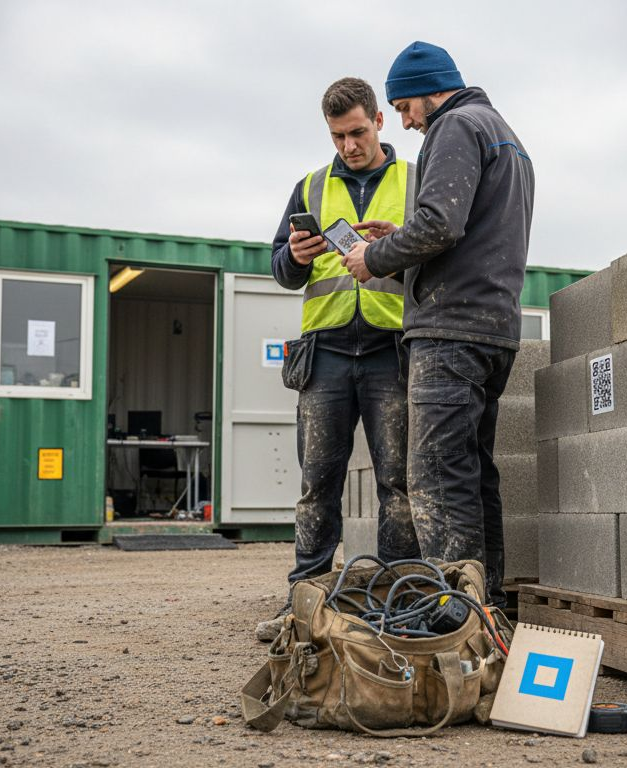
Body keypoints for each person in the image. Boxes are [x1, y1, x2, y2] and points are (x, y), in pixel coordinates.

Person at [342, 42, 535, 608]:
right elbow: (460, 231)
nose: (405, 122)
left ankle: (455, 611)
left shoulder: (455, 125)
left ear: (431, 90)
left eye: (404, 107)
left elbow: (439, 225)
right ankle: (486, 605)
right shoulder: (505, 135)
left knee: (436, 476)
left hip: (450, 332)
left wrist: (374, 257)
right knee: (472, 472)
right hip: (492, 328)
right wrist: (401, 236)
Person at [256, 77, 420, 642]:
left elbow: (439, 254)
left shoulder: (415, 180)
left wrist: (397, 249)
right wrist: (295, 257)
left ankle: (397, 602)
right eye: (337, 136)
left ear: (379, 121)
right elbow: (281, 269)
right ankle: (304, 603)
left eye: (356, 132)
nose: (349, 146)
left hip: (389, 349)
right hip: (324, 353)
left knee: (397, 482)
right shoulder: (309, 187)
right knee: (317, 482)